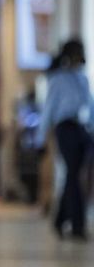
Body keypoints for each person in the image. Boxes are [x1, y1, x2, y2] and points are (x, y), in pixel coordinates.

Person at [37, 39, 94, 241]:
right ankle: (76, 224)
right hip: (64, 129)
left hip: (81, 128)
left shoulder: (82, 79)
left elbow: (90, 105)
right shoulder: (57, 79)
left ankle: (61, 219)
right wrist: (40, 139)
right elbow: (49, 110)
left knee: (77, 176)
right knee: (72, 174)